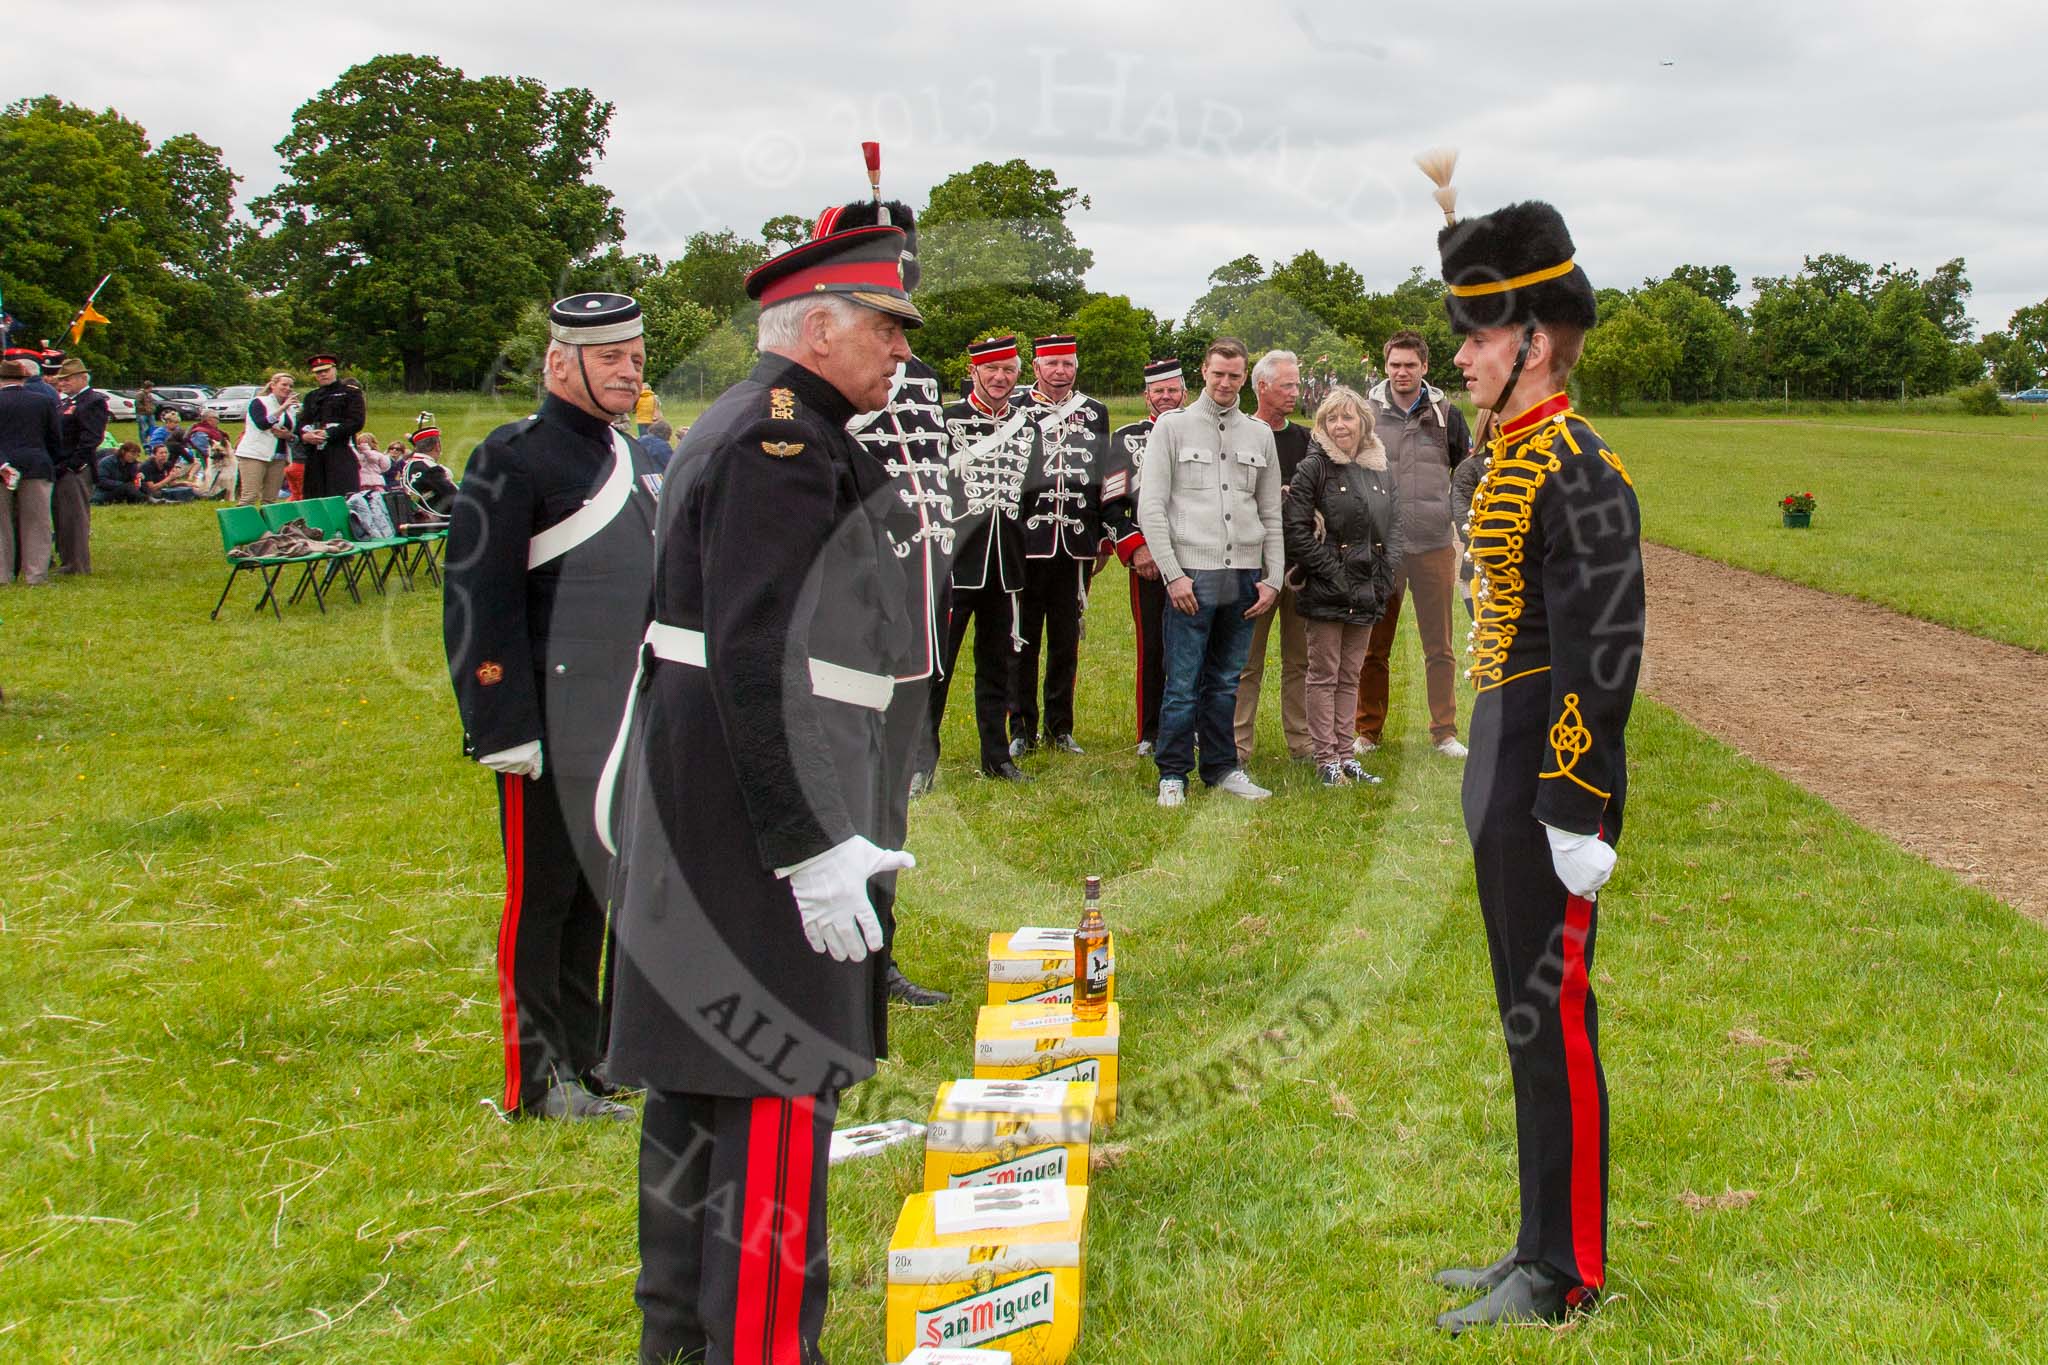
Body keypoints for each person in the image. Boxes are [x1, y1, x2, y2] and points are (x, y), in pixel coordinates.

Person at [605, 223, 920, 1365]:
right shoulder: (776, 445)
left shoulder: (761, 425)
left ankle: (684, 1339)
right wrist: (812, 845)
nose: (899, 352)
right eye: (885, 327)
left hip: (715, 792)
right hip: (757, 808)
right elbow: (755, 656)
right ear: (819, 327)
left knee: (698, 1088)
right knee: (777, 1091)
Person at [1428, 194, 1644, 1335]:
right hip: (1496, 757)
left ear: (1532, 343)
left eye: (1475, 337)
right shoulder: (1511, 452)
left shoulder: (1580, 465)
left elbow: (1601, 654)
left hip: (1542, 779)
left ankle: (1565, 1273)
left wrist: (1574, 801)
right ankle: (1532, 1244)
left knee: (1548, 1014)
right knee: (1520, 1012)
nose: (1459, 358)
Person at [442, 293, 663, 1124]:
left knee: (595, 891)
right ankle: (535, 1080)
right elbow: (475, 598)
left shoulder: (637, 454)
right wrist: (500, 724)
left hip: (622, 715)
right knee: (540, 900)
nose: (628, 369)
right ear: (558, 362)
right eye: (610, 357)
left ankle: (592, 1055)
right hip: (545, 717)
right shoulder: (513, 458)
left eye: (636, 355)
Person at [822, 184, 959, 1008]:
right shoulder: (817, 379)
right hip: (847, 626)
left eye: (906, 259)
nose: (901, 273)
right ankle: (828, 954)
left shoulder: (920, 377)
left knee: (888, 802)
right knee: (837, 789)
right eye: (883, 257)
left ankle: (879, 955)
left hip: (914, 619)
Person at [1136, 336, 1283, 807]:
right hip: (1192, 576)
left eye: (1234, 375)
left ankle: (1222, 768)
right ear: (1204, 372)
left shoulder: (1259, 435)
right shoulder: (1172, 428)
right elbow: (1151, 507)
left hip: (1243, 575)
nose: (1225, 382)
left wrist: (1273, 577)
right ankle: (1172, 772)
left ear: (1246, 378)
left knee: (1226, 681)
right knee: (1182, 680)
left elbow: (1271, 513)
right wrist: (1173, 574)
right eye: (1218, 373)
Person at [1355, 329, 1474, 760]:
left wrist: (1461, 524)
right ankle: (1367, 731)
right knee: (1373, 646)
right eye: (1395, 365)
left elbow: (1467, 474)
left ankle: (1444, 732)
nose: (1402, 372)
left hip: (1433, 545)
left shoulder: (1447, 415)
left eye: (1410, 365)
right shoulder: (1364, 414)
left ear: (1425, 367)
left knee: (1439, 646)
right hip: (1381, 549)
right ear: (1385, 367)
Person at [932, 334, 1039, 782]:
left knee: (998, 667)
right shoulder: (946, 421)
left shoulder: (1028, 426)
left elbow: (1029, 496)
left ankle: (996, 757)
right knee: (938, 668)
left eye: (1009, 371)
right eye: (992, 370)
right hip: (955, 566)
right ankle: (920, 760)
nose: (1000, 378)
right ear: (974, 371)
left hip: (1007, 565)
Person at [1282, 386, 1398, 786]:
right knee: (1324, 674)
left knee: (1351, 674)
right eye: (1331, 418)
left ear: (1362, 422)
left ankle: (1347, 755)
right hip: (1327, 589)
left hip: (1367, 590)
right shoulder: (1313, 468)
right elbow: (1295, 530)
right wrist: (1331, 571)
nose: (1339, 425)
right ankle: (1325, 758)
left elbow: (1394, 527)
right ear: (1322, 426)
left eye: (1346, 417)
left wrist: (1385, 576)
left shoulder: (1381, 469)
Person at [1008, 333, 1108, 758]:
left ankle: (1060, 727)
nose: (1060, 372)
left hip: (1075, 544)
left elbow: (1102, 477)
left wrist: (1102, 538)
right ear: (1036, 367)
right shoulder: (1015, 409)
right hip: (1026, 543)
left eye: (1067, 364)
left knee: (1066, 640)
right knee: (1022, 638)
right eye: (1052, 364)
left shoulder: (1095, 413)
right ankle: (1020, 728)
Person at [1102, 357, 1187, 755]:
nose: (1166, 397)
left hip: (1198, 558)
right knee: (1153, 646)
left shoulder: (1203, 432)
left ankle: (1196, 726)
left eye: (1173, 389)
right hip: (1149, 561)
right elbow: (1110, 504)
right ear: (1146, 395)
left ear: (1185, 392)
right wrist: (1137, 549)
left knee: (1195, 646)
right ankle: (1151, 732)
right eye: (1159, 391)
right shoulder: (1126, 438)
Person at [1232, 349, 1314, 765]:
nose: (1295, 392)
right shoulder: (1239, 434)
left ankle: (1301, 742)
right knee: (1247, 663)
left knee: (1300, 661)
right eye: (1288, 385)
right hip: (1253, 568)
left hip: (1299, 568)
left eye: (1297, 385)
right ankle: (1237, 746)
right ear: (1262, 387)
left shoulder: (1305, 440)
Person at [0, 357, 61, 585]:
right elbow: (55, 438)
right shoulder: (42, 401)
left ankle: (2, 574)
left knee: (2, 523)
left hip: (2, 466)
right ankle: (36, 574)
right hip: (37, 464)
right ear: (24, 378)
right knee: (37, 522)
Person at [51, 358, 108, 574]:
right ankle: (68, 560)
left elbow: (91, 438)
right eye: (61, 379)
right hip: (62, 466)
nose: (63, 383)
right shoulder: (66, 402)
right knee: (62, 516)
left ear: (83, 378)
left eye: (67, 379)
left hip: (75, 469)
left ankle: (77, 564)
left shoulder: (92, 401)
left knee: (74, 517)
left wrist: (73, 464)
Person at [295, 352, 366, 499]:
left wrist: (329, 433)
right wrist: (305, 435)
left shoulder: (350, 393)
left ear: (334, 369)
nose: (322, 375)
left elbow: (356, 421)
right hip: (315, 454)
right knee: (314, 497)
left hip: (340, 450)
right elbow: (303, 421)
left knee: (342, 495)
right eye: (318, 372)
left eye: (326, 371)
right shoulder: (311, 396)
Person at [1450, 410, 1497, 619]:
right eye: (1497, 423)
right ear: (1485, 425)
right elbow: (1465, 524)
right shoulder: (1469, 470)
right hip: (1479, 575)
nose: (1505, 426)